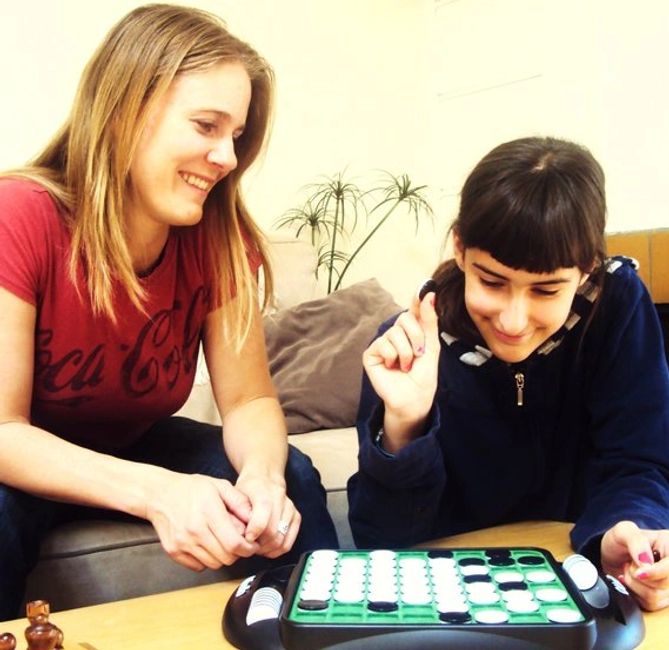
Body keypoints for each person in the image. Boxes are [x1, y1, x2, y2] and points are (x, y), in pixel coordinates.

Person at [0, 3, 337, 621]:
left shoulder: (218, 239)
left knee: (293, 474)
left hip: (134, 437)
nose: (229, 158)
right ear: (125, 112)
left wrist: (261, 479)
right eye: (207, 125)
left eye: (235, 135)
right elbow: (2, 431)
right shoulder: (19, 216)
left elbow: (248, 402)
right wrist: (156, 491)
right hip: (26, 455)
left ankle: (317, 633)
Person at [348, 136, 669, 611]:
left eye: (546, 291)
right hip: (454, 597)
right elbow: (384, 544)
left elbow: (640, 462)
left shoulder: (617, 308)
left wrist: (624, 530)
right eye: (492, 282)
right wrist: (404, 429)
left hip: (577, 585)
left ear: (587, 269)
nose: (514, 322)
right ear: (459, 248)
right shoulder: (410, 348)